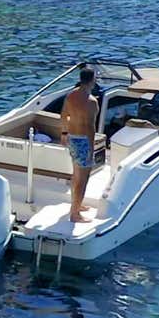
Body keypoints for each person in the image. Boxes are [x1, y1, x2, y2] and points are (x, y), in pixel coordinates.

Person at [60, 67, 99, 223]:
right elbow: (90, 127)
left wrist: (64, 133)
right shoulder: (92, 102)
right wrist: (91, 148)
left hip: (72, 137)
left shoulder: (71, 96)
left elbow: (64, 115)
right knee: (83, 179)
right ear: (92, 80)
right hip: (83, 141)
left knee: (76, 175)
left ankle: (76, 205)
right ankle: (75, 214)